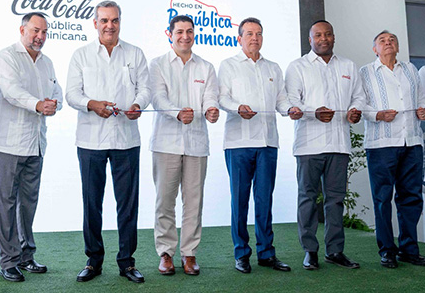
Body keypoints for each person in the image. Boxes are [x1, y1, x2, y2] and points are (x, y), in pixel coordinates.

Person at [66, 0, 150, 284]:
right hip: (90, 140)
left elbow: (145, 89)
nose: (109, 25)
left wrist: (138, 105)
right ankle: (93, 261)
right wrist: (91, 104)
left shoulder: (135, 53)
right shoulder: (81, 55)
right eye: (104, 20)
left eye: (114, 20)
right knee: (92, 203)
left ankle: (127, 262)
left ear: (120, 22)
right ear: (95, 23)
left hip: (127, 139)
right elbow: (72, 94)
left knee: (128, 204)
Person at [218, 17, 301, 274]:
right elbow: (222, 98)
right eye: (249, 34)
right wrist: (237, 108)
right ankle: (241, 254)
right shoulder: (228, 65)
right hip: (238, 143)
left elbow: (281, 100)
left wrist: (290, 109)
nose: (255, 38)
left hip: (267, 143)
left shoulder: (273, 68)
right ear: (239, 38)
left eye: (259, 34)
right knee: (240, 201)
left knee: (265, 200)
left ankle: (266, 253)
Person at [285, 20, 365, 270]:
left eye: (327, 34)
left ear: (333, 37)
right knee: (307, 198)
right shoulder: (297, 67)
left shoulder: (348, 66)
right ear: (310, 39)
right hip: (309, 145)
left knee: (336, 200)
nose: (323, 39)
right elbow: (291, 101)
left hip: (339, 144)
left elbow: (359, 96)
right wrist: (313, 112)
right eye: (318, 35)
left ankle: (335, 250)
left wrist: (355, 110)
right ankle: (310, 251)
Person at [0, 12, 63, 282]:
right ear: (22, 30)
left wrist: (53, 104)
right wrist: (39, 104)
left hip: (36, 144)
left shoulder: (47, 62)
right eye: (35, 30)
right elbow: (12, 92)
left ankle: (26, 255)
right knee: (6, 204)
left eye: (44, 32)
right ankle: (8, 261)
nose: (40, 36)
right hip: (8, 143)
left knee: (28, 203)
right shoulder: (6, 57)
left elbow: (57, 93)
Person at [148, 15, 219, 276]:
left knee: (194, 202)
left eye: (189, 31)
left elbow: (211, 96)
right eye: (179, 32)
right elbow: (157, 98)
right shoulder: (158, 64)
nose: (185, 36)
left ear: (194, 34)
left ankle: (189, 254)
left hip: (197, 144)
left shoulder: (206, 67)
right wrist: (177, 113)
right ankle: (166, 253)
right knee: (165, 201)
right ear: (170, 34)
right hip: (166, 142)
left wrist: (211, 110)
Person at [359, 30, 425, 268]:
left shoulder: (410, 69)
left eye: (392, 40)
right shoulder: (365, 72)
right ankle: (387, 250)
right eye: (382, 41)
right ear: (374, 49)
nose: (388, 43)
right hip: (381, 144)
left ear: (397, 46)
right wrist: (378, 115)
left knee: (412, 197)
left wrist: (422, 110)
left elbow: (421, 97)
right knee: (382, 199)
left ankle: (409, 249)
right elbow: (359, 104)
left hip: (412, 141)